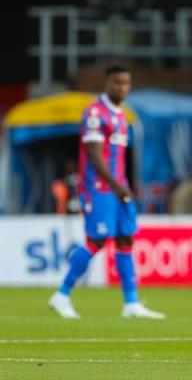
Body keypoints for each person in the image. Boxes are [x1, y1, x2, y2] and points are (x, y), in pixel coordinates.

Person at [49, 65, 165, 320]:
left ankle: (131, 303)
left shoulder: (122, 115)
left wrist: (125, 185)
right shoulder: (94, 113)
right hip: (99, 188)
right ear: (106, 83)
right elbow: (94, 155)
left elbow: (119, 158)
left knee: (125, 239)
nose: (121, 88)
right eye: (116, 82)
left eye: (126, 83)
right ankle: (61, 295)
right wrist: (116, 185)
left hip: (118, 187)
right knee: (97, 240)